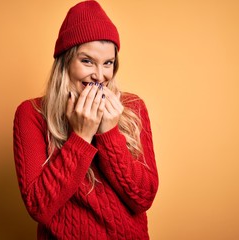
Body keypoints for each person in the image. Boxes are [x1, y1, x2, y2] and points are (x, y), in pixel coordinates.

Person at [13, 1, 158, 239]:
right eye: (87, 61)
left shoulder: (132, 109)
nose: (99, 76)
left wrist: (109, 134)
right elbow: (39, 207)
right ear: (65, 62)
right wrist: (80, 137)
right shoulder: (32, 114)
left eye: (108, 63)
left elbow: (143, 198)